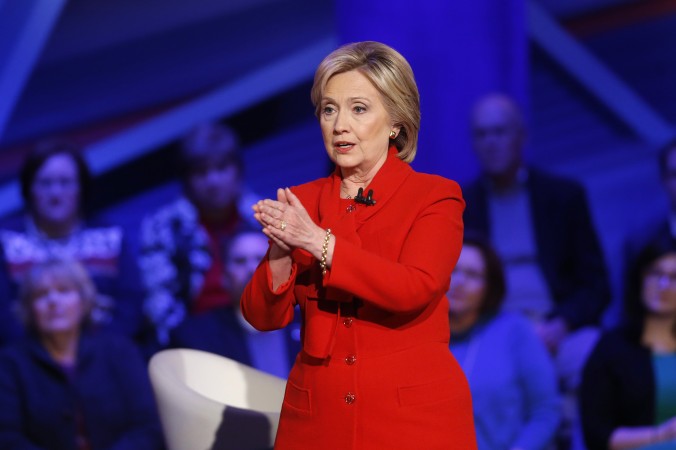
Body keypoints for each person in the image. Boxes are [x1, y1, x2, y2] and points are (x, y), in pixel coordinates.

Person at [241, 41, 476, 449]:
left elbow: (413, 287)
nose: (339, 125)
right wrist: (281, 251)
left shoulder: (435, 197)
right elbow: (261, 317)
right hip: (317, 420)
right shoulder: (303, 200)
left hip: (415, 420)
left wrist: (318, 241)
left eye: (359, 109)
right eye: (329, 109)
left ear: (396, 123)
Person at [0, 258, 164, 449]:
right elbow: (7, 437)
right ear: (29, 308)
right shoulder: (10, 363)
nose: (53, 301)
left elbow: (148, 427)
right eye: (41, 295)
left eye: (64, 291)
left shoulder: (120, 351)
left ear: (84, 301)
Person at [0, 139, 144, 346]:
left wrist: (91, 356)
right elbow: (4, 318)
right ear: (29, 189)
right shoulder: (6, 241)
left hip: (103, 354)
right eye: (45, 183)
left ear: (81, 188)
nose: (56, 194)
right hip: (28, 361)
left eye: (65, 182)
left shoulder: (109, 237)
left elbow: (131, 307)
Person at [139, 122, 256, 348]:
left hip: (262, 329)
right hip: (196, 339)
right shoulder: (164, 228)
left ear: (238, 171)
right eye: (201, 172)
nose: (213, 181)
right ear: (186, 181)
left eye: (221, 168)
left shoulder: (263, 217)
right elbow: (159, 306)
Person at [449, 233, 560, 450]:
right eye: (453, 270)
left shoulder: (514, 330)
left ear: (489, 286)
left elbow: (546, 411)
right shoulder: (417, 334)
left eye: (472, 275)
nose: (460, 282)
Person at [579, 241, 676, 450]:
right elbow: (598, 437)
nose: (664, 285)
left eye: (675, 277)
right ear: (639, 278)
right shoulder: (611, 349)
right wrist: (662, 434)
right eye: (655, 274)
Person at [171, 228, 301, 378]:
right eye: (240, 261)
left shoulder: (310, 326)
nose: (252, 269)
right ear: (224, 277)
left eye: (261, 259)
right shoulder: (197, 336)